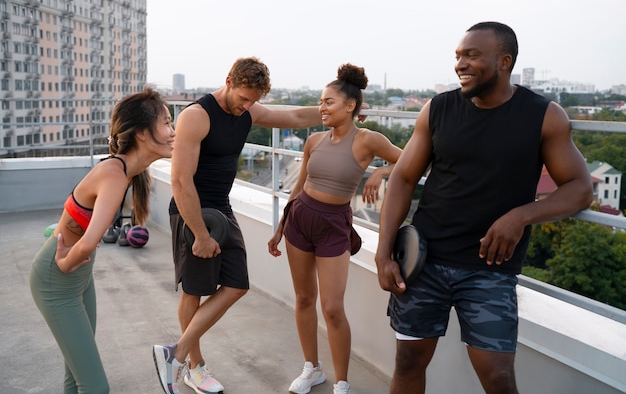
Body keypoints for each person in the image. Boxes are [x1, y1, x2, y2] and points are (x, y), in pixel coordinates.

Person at [374, 21, 593, 394]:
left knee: (498, 377)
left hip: (490, 270)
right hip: (424, 260)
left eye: (472, 55)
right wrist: (383, 253)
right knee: (408, 362)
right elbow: (403, 179)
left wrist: (522, 215)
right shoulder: (438, 109)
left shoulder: (544, 115)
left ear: (504, 61)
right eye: (458, 56)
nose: (460, 64)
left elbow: (580, 188)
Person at [153, 57, 359, 394]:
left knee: (237, 284)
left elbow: (292, 116)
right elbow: (180, 180)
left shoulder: (248, 110)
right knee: (194, 289)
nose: (247, 106)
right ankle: (194, 366)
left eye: (254, 101)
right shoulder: (196, 115)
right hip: (194, 212)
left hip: (222, 207)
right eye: (243, 98)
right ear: (229, 80)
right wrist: (201, 235)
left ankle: (175, 352)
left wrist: (340, 112)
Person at [30, 88, 176, 394]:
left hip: (78, 279)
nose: (173, 132)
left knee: (77, 378)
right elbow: (86, 243)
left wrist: (68, 255)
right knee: (95, 387)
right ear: (142, 134)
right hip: (58, 280)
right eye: (166, 123)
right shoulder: (114, 174)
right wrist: (64, 262)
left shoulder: (124, 171)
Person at [268, 63, 402, 394]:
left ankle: (342, 382)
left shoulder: (369, 140)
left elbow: (411, 158)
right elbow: (298, 187)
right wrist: (280, 227)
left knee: (332, 307)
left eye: (328, 102)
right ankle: (311, 368)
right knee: (303, 298)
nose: (322, 108)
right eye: (320, 102)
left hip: (334, 226)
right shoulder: (313, 140)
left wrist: (381, 172)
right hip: (300, 220)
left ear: (351, 105)